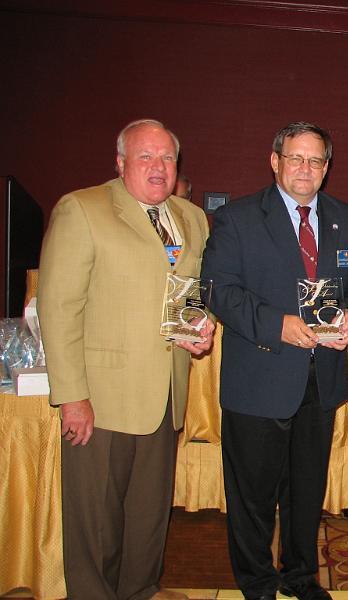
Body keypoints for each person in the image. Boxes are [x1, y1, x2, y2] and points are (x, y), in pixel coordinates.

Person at [38, 118, 214, 600]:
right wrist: (72, 397)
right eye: (145, 157)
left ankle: (140, 590)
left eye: (166, 158)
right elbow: (59, 309)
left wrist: (200, 325)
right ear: (120, 163)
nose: (158, 167)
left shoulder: (191, 217)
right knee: (95, 519)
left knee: (148, 512)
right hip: (102, 399)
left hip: (164, 394)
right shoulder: (83, 209)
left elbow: (191, 294)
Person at [200, 122, 348, 600]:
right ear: (274, 161)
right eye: (295, 158)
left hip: (321, 379)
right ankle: (257, 584)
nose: (305, 168)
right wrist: (277, 324)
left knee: (305, 493)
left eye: (315, 160)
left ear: (327, 167)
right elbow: (216, 288)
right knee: (252, 497)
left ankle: (301, 576)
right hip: (259, 376)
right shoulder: (237, 218)